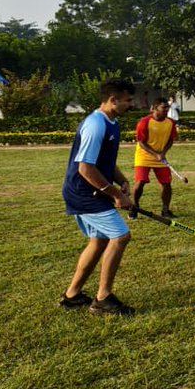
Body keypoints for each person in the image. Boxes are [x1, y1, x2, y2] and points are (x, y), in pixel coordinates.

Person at [59, 78, 137, 316]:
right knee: (121, 236)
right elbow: (86, 168)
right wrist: (117, 196)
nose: (131, 104)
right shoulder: (96, 125)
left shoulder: (112, 123)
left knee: (99, 241)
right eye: (127, 100)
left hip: (92, 190)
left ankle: (72, 295)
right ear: (113, 100)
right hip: (84, 192)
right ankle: (102, 298)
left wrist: (121, 180)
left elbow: (105, 163)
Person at [132, 97, 179, 218]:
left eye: (167, 107)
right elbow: (141, 143)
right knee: (140, 182)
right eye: (163, 107)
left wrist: (163, 152)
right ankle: (134, 207)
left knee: (166, 183)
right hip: (143, 156)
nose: (166, 110)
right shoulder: (144, 122)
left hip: (160, 157)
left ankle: (165, 210)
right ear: (154, 108)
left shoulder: (170, 123)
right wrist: (156, 154)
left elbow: (171, 140)